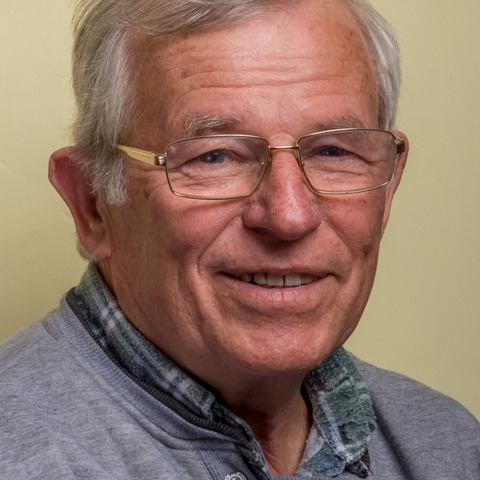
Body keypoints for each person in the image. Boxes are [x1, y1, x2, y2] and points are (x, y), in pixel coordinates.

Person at [0, 0, 478, 478]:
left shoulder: (451, 444)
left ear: (388, 187)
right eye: (215, 156)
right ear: (92, 204)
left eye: (334, 151)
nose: (289, 216)